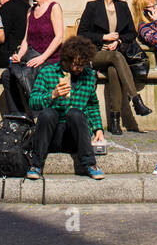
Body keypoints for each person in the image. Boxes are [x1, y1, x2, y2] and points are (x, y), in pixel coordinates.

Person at [77, 0, 151, 134]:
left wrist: (118, 41)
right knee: (115, 57)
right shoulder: (93, 6)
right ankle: (136, 99)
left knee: (113, 70)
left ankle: (115, 119)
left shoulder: (122, 6)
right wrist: (104, 37)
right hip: (96, 54)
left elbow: (132, 33)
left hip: (116, 54)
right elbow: (82, 33)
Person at [27, 36, 106, 180]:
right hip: (52, 135)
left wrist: (98, 129)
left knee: (75, 113)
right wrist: (52, 95)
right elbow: (33, 102)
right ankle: (36, 164)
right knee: (48, 113)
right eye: (76, 64)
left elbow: (92, 104)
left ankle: (90, 163)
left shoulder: (88, 76)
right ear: (66, 60)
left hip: (75, 135)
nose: (80, 69)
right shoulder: (47, 72)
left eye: (83, 64)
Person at [3, 0, 65, 117]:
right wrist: (19, 55)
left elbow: (59, 37)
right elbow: (26, 40)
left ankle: (37, 116)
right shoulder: (30, 11)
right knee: (8, 74)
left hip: (49, 58)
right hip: (32, 57)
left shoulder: (53, 7)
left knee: (34, 73)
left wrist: (42, 58)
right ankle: (17, 114)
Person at [0, 0, 28, 69]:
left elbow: (1, 34)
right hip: (25, 52)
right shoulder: (27, 5)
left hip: (9, 55)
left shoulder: (6, 8)